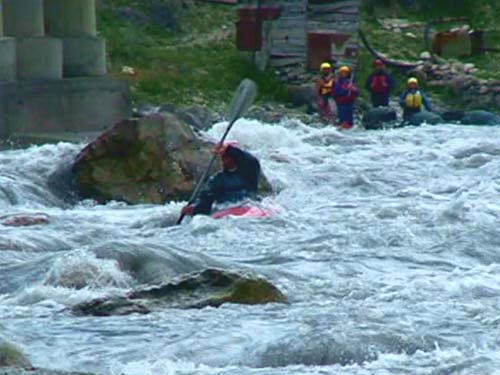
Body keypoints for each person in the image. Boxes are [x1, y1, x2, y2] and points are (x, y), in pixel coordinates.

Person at [180, 142, 261, 217]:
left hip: (247, 205)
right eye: (223, 157)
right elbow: (206, 201)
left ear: (235, 157)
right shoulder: (217, 179)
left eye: (226, 156)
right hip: (226, 210)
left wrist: (229, 148)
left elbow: (252, 160)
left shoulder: (249, 172)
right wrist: (194, 209)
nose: (223, 160)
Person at [332, 65, 359, 129]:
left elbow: (356, 92)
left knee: (349, 120)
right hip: (341, 104)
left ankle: (348, 127)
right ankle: (341, 127)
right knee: (342, 118)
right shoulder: (337, 82)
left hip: (349, 103)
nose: (344, 74)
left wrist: (353, 89)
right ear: (340, 73)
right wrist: (346, 89)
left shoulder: (350, 82)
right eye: (343, 72)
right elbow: (337, 92)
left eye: (346, 72)